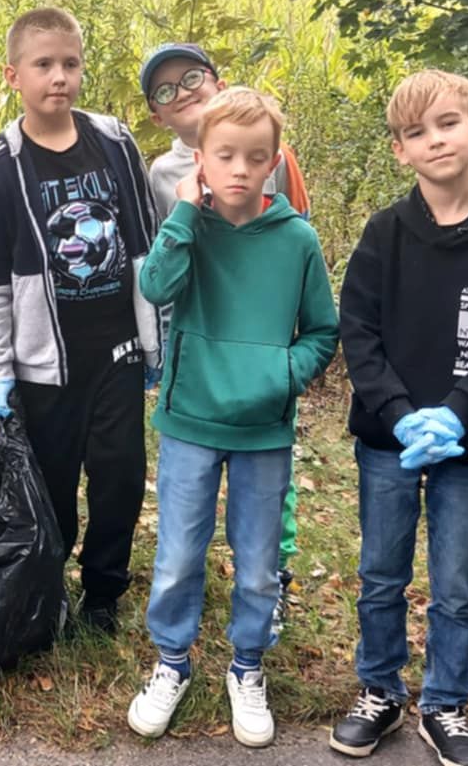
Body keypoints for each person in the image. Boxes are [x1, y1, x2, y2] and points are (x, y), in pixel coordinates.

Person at [329, 69, 468, 765]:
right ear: (401, 151)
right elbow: (358, 329)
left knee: (455, 584)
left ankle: (445, 702)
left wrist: (457, 413)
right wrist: (397, 414)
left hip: (467, 443)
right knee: (381, 573)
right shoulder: (385, 233)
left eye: (448, 123)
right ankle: (380, 691)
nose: (436, 140)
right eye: (417, 132)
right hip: (387, 443)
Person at [124, 87, 338, 748]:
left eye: (255, 156)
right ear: (201, 161)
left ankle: (247, 666)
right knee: (178, 555)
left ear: (274, 161)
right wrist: (185, 212)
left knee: (258, 561)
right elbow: (155, 286)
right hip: (190, 418)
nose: (240, 169)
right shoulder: (189, 226)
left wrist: (282, 374)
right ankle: (172, 661)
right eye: (224, 156)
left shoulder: (297, 239)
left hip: (263, 429)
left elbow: (322, 331)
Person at [0, 6, 162, 632]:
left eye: (70, 64)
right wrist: (0, 368)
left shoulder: (115, 143)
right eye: (44, 64)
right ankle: (47, 587)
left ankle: (103, 591)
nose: (59, 77)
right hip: (45, 362)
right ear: (13, 75)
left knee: (120, 476)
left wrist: (154, 336)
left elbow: (145, 241)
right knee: (51, 482)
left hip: (117, 349)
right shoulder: (0, 167)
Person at [139, 42, 311, 220]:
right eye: (165, 92)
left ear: (220, 87)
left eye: (192, 78)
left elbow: (299, 221)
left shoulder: (275, 154)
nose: (183, 94)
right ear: (157, 118)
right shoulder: (161, 173)